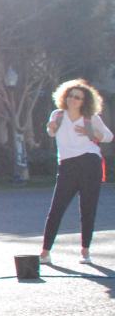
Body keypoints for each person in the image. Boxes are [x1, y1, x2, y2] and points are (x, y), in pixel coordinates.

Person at [39, 79, 111, 266]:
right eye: (70, 96)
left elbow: (109, 137)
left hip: (90, 163)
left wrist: (92, 132)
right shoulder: (58, 114)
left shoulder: (91, 117)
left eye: (78, 97)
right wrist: (50, 127)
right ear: (64, 96)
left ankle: (85, 251)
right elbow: (51, 131)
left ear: (84, 101)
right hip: (67, 165)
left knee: (88, 208)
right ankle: (45, 252)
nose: (73, 99)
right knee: (56, 209)